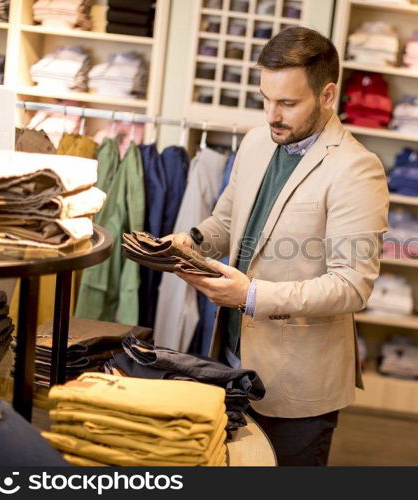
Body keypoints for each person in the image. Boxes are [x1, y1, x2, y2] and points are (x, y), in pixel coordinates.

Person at [166, 27, 389, 466]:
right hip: (230, 360)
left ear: (327, 96)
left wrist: (249, 295)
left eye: (287, 103)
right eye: (265, 98)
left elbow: (351, 286)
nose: (272, 114)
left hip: (298, 384)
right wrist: (187, 242)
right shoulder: (255, 142)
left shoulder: (357, 170)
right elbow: (228, 221)